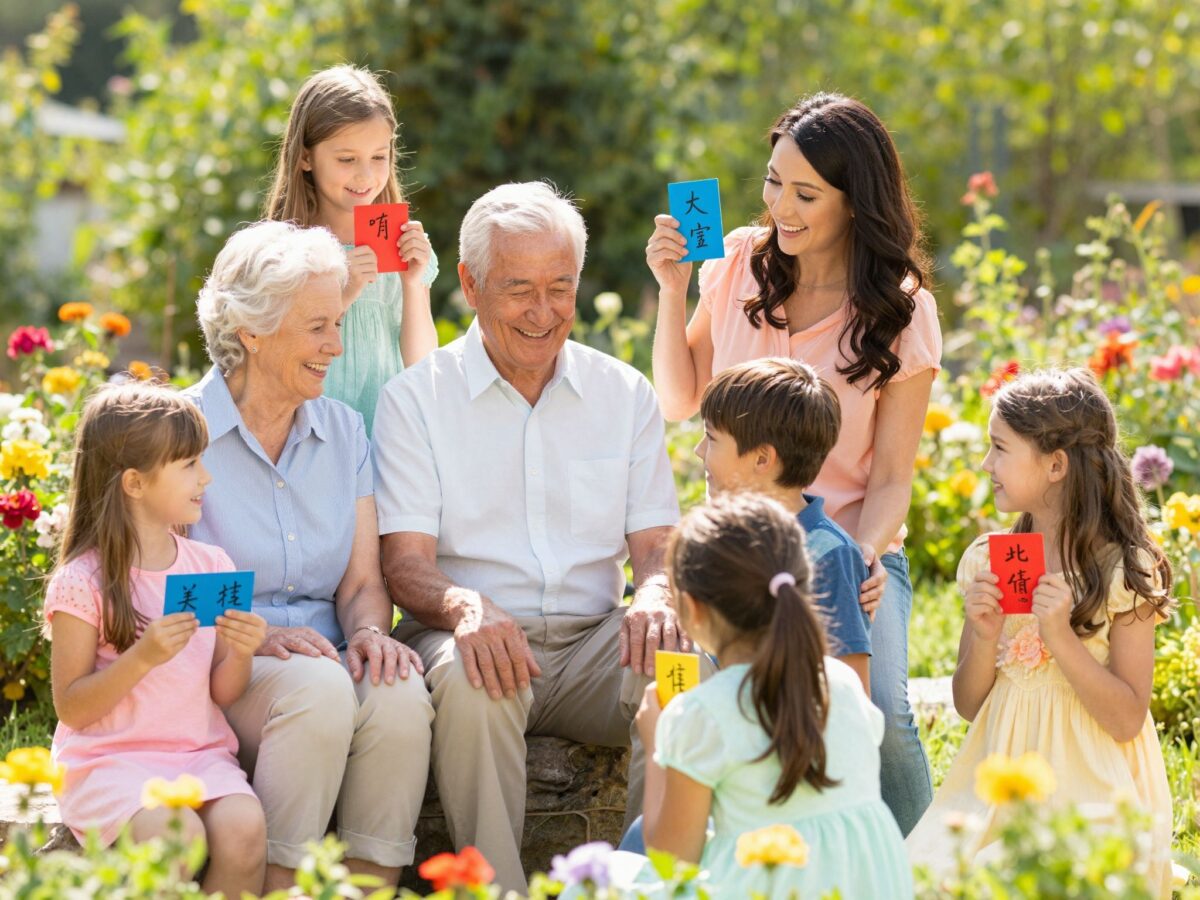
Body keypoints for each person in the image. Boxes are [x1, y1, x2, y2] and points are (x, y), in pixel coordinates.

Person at [375, 181, 690, 892]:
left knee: (679, 662)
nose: (543, 312)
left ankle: (654, 881)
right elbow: (405, 567)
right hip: (468, 631)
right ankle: (497, 890)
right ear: (469, 284)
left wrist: (659, 591)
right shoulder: (416, 400)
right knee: (471, 678)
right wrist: (464, 608)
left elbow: (655, 547)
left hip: (591, 640)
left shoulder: (623, 393)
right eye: (519, 289)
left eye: (560, 286)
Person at [646, 92, 941, 833]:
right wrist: (672, 288)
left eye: (806, 193)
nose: (782, 205)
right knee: (706, 710)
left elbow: (893, 477)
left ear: (855, 201)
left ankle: (910, 867)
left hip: (845, 549)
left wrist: (865, 555)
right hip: (736, 549)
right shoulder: (738, 260)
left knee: (881, 717)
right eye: (773, 182)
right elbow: (682, 399)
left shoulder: (902, 310)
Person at [188, 220, 434, 892]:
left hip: (324, 658)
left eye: (338, 323)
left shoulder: (343, 429)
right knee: (321, 691)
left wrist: (367, 635)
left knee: (400, 690)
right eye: (318, 326)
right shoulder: (183, 435)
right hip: (221, 667)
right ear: (253, 331)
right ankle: (277, 883)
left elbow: (360, 581)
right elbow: (162, 586)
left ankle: (369, 884)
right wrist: (261, 634)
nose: (338, 345)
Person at [906, 368, 1175, 896]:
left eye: (1000, 448)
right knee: (930, 876)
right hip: (997, 785)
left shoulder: (1123, 570)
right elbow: (967, 703)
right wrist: (984, 636)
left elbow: (1125, 719)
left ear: (1055, 465)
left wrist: (1060, 637)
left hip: (1091, 789)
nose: (986, 464)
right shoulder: (994, 559)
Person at [46, 383, 268, 897]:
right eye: (189, 464)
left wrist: (240, 649)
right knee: (177, 837)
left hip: (198, 754)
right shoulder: (84, 581)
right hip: (111, 762)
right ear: (134, 483)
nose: (205, 477)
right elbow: (72, 708)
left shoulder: (210, 567)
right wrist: (142, 658)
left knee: (245, 830)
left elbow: (223, 693)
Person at [635, 493, 912, 898]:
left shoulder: (701, 714)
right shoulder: (843, 684)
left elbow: (672, 863)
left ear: (692, 611)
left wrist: (659, 745)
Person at [264, 64, 438, 434]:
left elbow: (422, 364)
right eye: (346, 159)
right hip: (306, 438)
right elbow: (273, 354)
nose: (365, 176)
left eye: (379, 157)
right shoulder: (283, 252)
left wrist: (412, 284)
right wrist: (343, 293)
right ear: (306, 157)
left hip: (384, 442)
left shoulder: (402, 245)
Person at [695, 357, 870, 691]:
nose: (698, 451)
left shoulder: (830, 555)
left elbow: (853, 692)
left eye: (711, 438)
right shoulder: (723, 541)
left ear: (762, 458)